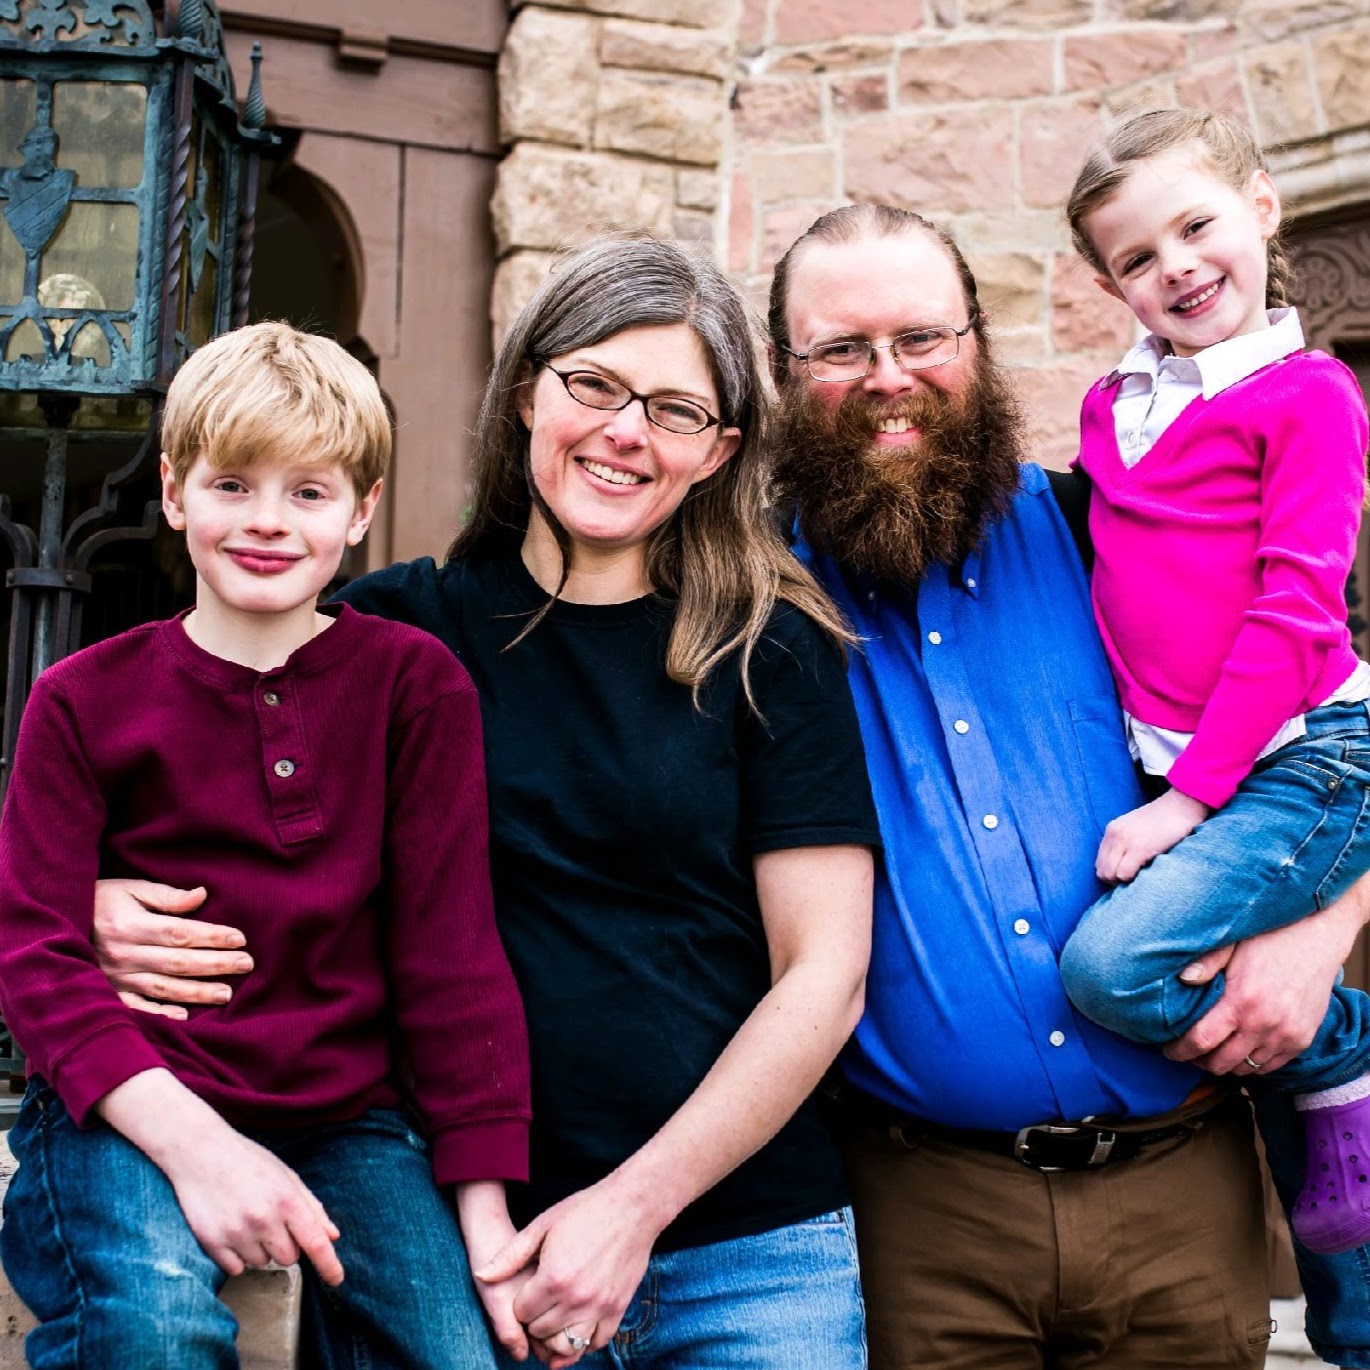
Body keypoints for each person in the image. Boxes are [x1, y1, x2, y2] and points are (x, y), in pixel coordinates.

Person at [86, 234, 878, 1368]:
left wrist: (632, 1208)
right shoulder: (387, 636)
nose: (624, 432)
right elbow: (183, 801)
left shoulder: (770, 648)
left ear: (718, 452)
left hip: (746, 1255)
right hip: (460, 1249)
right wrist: (99, 902)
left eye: (673, 409)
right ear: (523, 392)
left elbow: (825, 971)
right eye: (593, 385)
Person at [767, 201, 1370, 1369]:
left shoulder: (1114, 531)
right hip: (917, 1214)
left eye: (921, 338)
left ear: (978, 342)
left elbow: (1336, 716)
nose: (888, 378)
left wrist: (1327, 927)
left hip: (1178, 1202)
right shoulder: (747, 599)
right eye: (840, 349)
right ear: (787, 373)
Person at [0, 322, 531, 1369]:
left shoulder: (412, 687)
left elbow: (451, 959)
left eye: (308, 491)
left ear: (362, 510)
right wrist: (202, 1150)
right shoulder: (81, 699)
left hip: (348, 1120)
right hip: (130, 1103)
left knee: (457, 1352)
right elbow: (36, 957)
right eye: (232, 484)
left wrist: (485, 1214)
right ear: (172, 492)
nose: (267, 521)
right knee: (155, 1323)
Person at [1053, 107, 1370, 1257]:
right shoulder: (1111, 410)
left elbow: (1294, 611)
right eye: (1136, 257)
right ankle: (1346, 1296)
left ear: (1262, 209)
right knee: (1313, 1145)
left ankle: (1344, 1040)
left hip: (1299, 759)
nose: (1175, 265)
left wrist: (1185, 797)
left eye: (1196, 225)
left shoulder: (1310, 397)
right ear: (1109, 284)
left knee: (1108, 966)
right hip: (1195, 765)